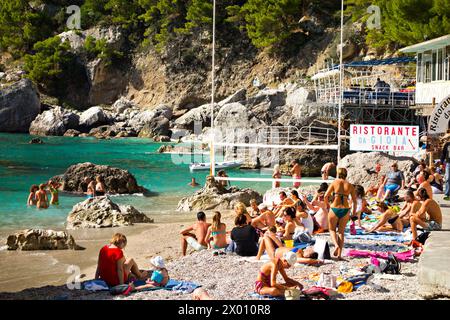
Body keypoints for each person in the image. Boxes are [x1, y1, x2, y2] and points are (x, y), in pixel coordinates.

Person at [324, 168, 356, 260]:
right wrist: (353, 213)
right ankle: (339, 255)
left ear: (338, 173)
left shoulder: (335, 182)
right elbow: (354, 201)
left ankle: (336, 245)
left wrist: (327, 205)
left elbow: (326, 195)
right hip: (346, 210)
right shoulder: (350, 185)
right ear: (346, 174)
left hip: (334, 208)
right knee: (341, 232)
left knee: (332, 229)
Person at [440, 136, 450, 200]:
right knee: (448, 178)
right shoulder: (447, 144)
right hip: (448, 163)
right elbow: (443, 154)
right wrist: (441, 163)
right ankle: (447, 193)